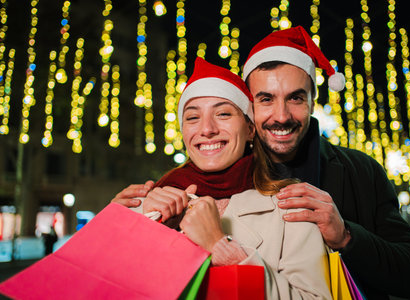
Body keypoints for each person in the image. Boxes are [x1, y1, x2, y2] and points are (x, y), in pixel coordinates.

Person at [114, 26, 410, 299]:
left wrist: (346, 237)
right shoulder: (179, 187)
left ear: (313, 100)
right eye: (265, 99)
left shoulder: (360, 171)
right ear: (250, 115)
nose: (281, 116)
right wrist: (116, 223)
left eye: (296, 98)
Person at [118, 57, 332, 299]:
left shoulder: (291, 206)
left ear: (250, 129)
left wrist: (222, 248)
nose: (207, 129)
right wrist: (120, 227)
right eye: (192, 117)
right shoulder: (149, 202)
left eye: (222, 114)